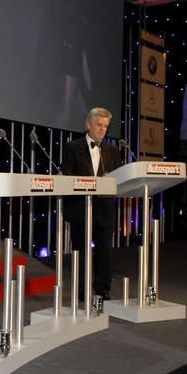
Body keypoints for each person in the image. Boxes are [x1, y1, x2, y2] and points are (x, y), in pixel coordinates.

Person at [62, 107, 121, 301]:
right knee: (81, 252)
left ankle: (103, 291)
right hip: (81, 208)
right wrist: (88, 183)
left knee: (105, 254)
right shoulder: (72, 147)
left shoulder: (113, 151)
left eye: (106, 126)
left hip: (105, 209)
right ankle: (81, 291)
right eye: (99, 125)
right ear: (88, 124)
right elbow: (67, 174)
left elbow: (118, 178)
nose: (102, 129)